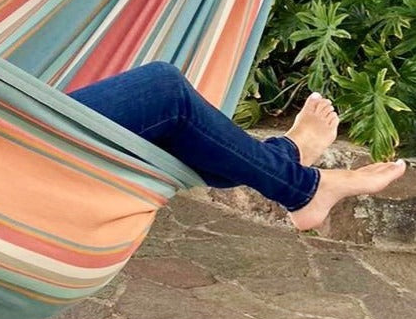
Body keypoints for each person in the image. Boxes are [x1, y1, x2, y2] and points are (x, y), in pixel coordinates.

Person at [67, 62, 406, 231]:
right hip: (17, 152)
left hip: (17, 144)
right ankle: (300, 186)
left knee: (177, 133)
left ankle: (285, 158)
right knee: (162, 91)